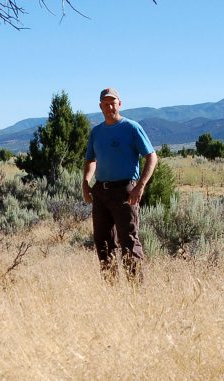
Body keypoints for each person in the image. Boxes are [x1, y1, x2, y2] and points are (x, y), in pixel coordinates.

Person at [82, 88, 158, 283]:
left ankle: (136, 291)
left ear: (120, 104)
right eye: (105, 104)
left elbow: (151, 156)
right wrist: (85, 182)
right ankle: (112, 289)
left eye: (112, 102)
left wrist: (140, 185)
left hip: (125, 191)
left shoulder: (131, 128)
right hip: (101, 191)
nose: (109, 107)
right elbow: (91, 160)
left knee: (128, 241)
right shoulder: (96, 132)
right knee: (103, 242)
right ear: (100, 107)